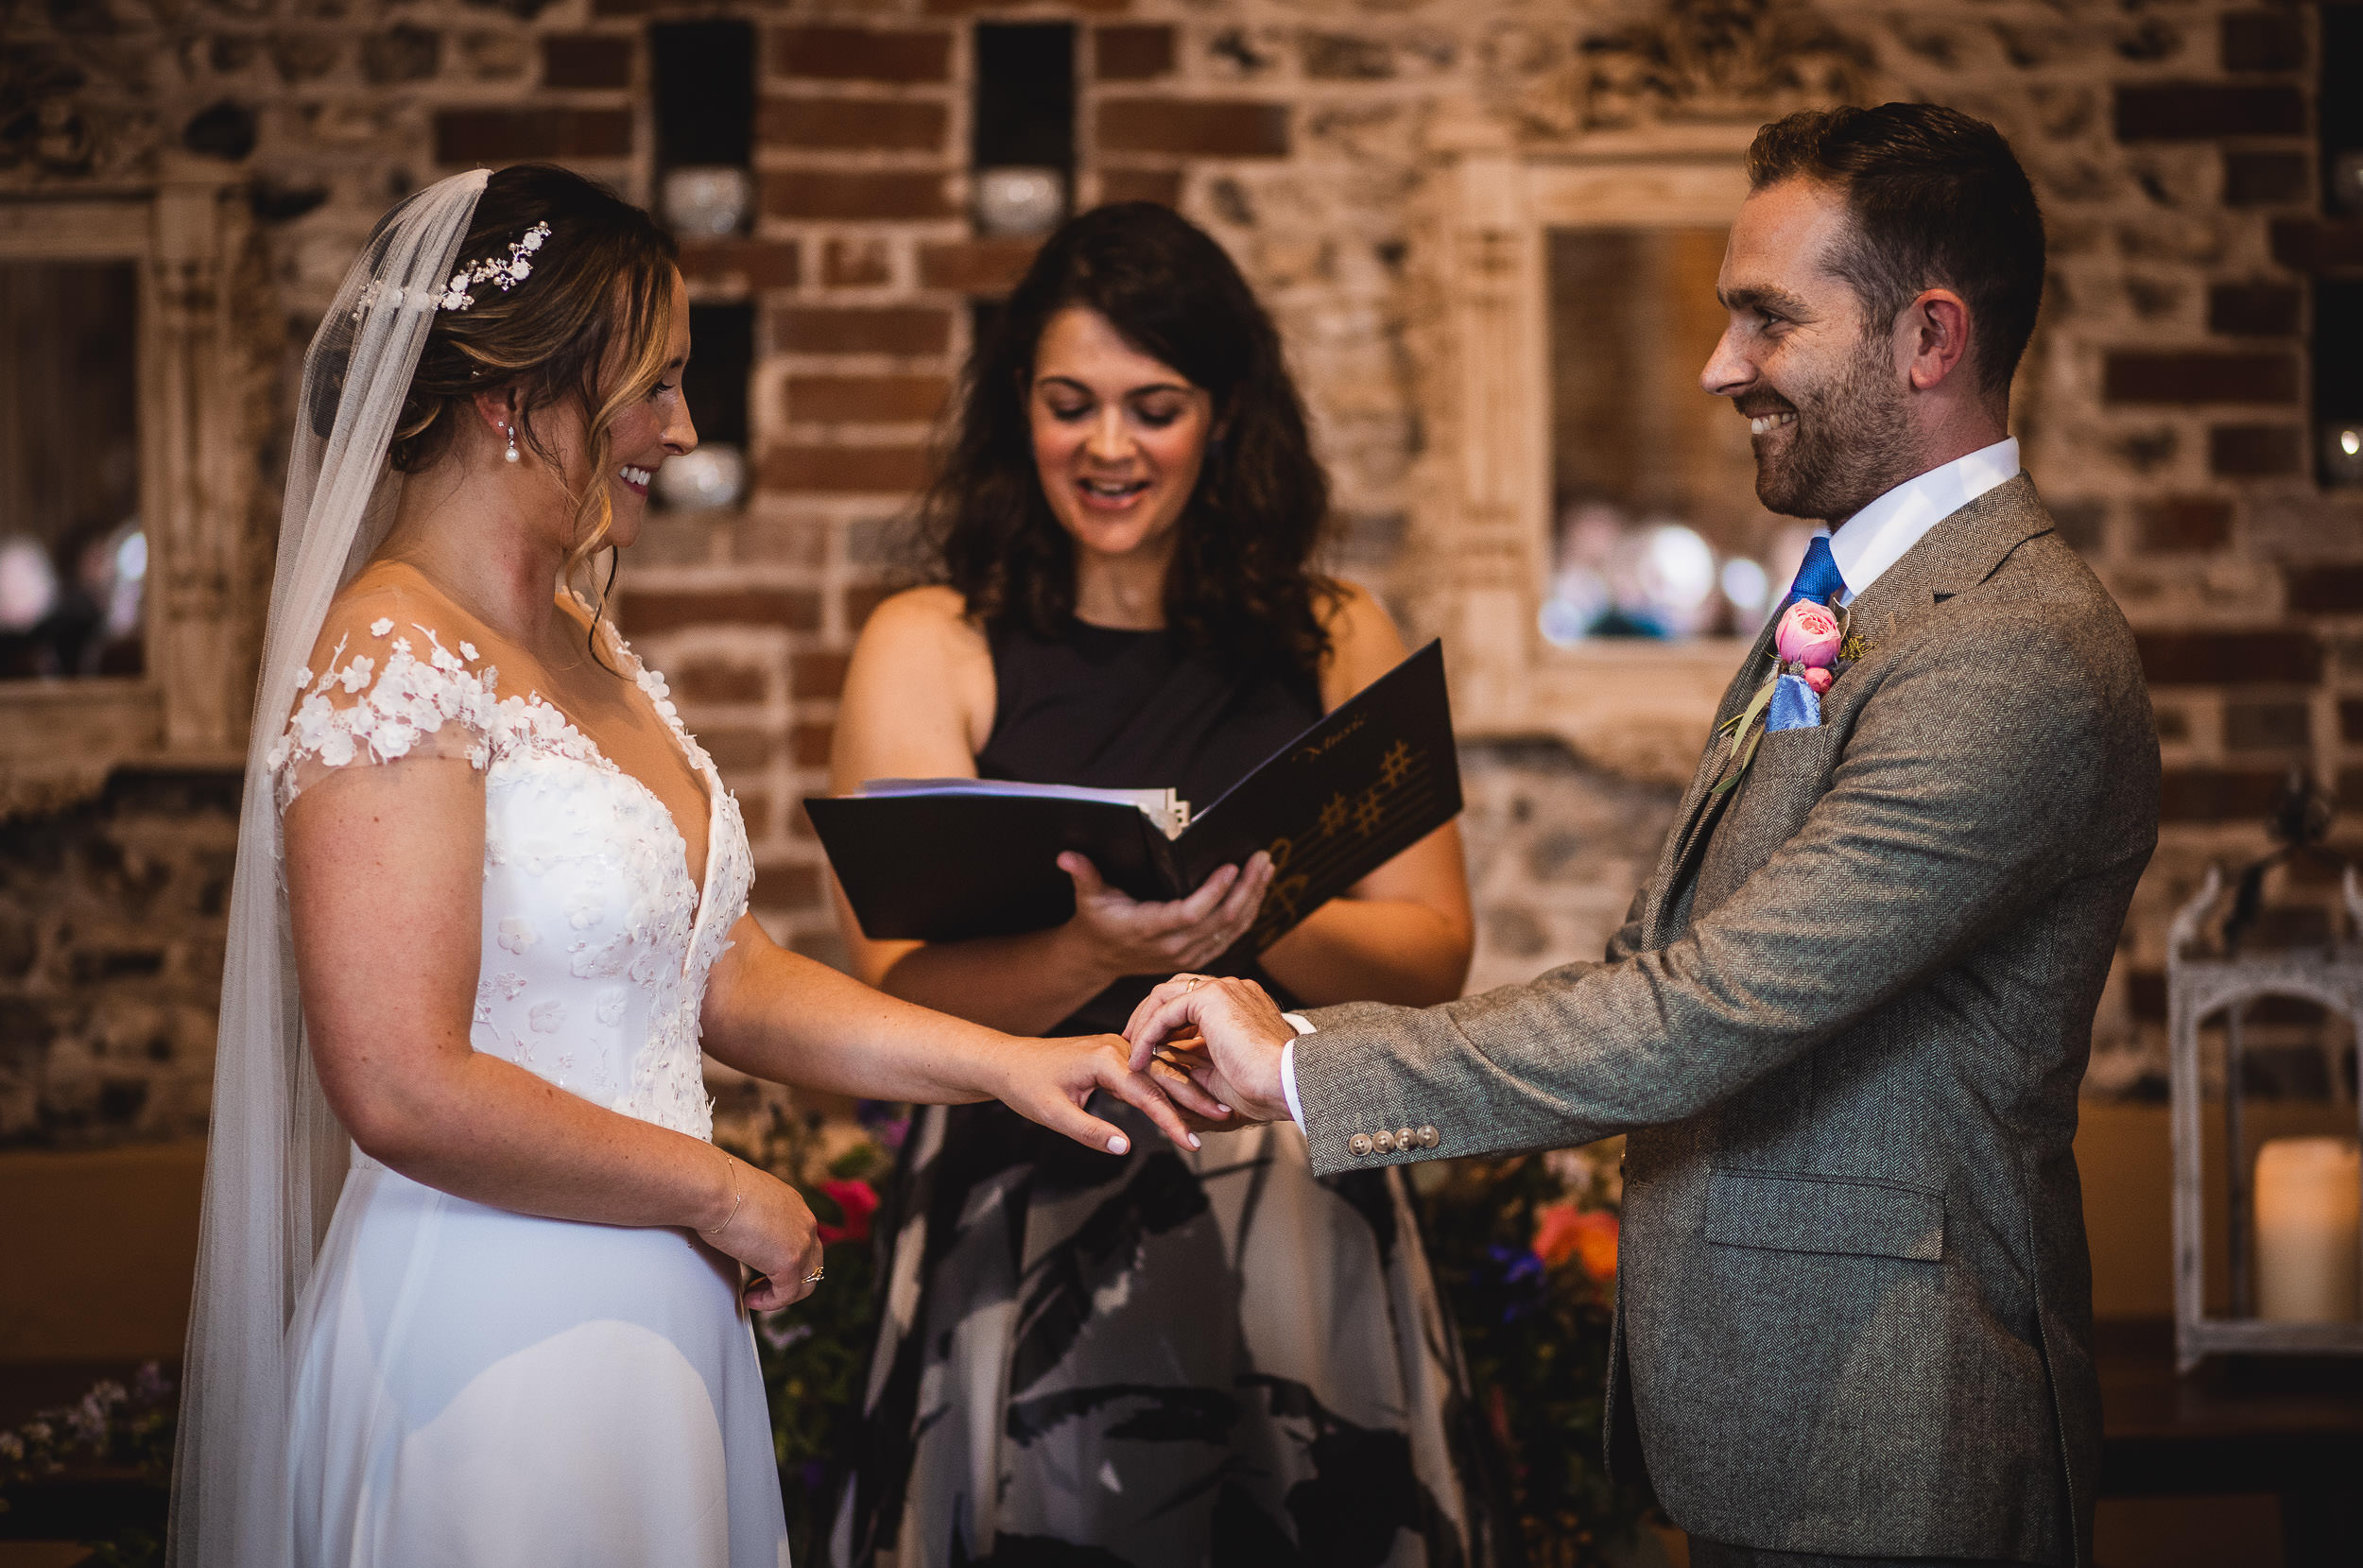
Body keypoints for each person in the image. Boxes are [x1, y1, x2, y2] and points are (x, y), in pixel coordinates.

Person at [1132, 104, 2161, 1568]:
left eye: (1765, 318)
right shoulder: (1856, 598)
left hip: (1895, 1444)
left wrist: (1306, 1065)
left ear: (1930, 338)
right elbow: (1659, 957)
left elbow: (1709, 1009)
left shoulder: (2016, 650)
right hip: (1782, 1423)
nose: (1717, 364)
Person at [171, 164, 1199, 1568]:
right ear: (514, 403)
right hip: (492, 1341)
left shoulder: (585, 646)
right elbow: (401, 1085)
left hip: (652, 1326)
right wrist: (719, 1190)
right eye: (653, 386)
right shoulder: (391, 659)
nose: (683, 428)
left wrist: (1008, 1063)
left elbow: (729, 974)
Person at [827, 203, 1499, 1567]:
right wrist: (1091, 951)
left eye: (1156, 407)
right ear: (1019, 408)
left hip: (1293, 1201)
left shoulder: (1334, 631)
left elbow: (1436, 955)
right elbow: (889, 991)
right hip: (1027, 1199)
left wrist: (1263, 913)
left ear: (1226, 414)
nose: (1110, 448)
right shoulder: (930, 641)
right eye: (1070, 405)